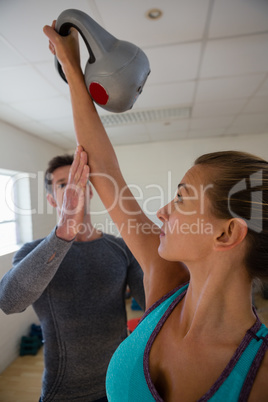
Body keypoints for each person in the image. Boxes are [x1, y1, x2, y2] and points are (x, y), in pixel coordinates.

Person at [43, 22, 268, 401]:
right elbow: (104, 170)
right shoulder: (165, 280)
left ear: (227, 233)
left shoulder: (260, 375)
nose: (163, 211)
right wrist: (71, 67)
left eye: (181, 199)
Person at [0, 150, 145, 402]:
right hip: (65, 392)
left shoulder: (121, 248)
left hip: (120, 384)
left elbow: (154, 305)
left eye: (79, 182)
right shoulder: (33, 252)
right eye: (62, 184)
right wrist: (65, 231)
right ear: (52, 199)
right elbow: (9, 301)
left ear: (90, 192)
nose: (72, 190)